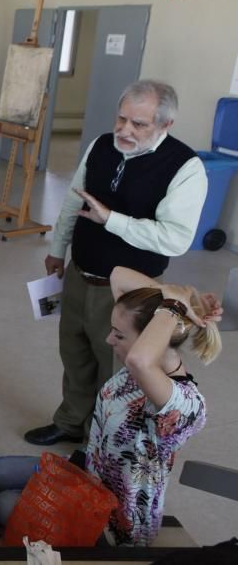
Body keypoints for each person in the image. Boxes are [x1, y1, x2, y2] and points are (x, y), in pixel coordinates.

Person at [0, 266, 222, 546]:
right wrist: (173, 297)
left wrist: (174, 305)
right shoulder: (139, 365)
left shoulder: (182, 400)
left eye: (119, 335)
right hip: (87, 473)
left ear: (150, 342)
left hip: (113, 519)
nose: (109, 340)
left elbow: (140, 360)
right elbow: (118, 275)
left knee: (3, 504)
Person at [25, 80, 208, 446]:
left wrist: (111, 220)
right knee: (74, 352)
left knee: (116, 370)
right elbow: (73, 203)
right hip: (80, 273)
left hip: (133, 291)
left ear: (166, 124)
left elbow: (176, 238)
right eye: (121, 119)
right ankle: (71, 419)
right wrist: (58, 249)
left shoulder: (185, 167)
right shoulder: (100, 146)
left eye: (138, 124)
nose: (124, 130)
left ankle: (100, 440)